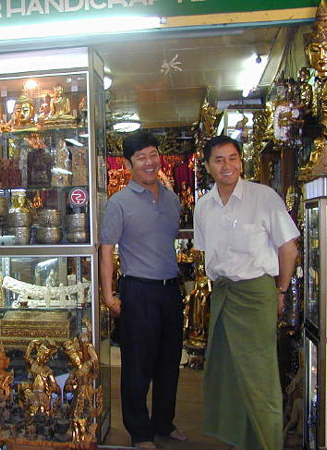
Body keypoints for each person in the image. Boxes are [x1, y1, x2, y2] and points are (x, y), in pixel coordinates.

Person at [194, 135, 299, 450]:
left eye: (233, 158)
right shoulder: (203, 206)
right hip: (224, 293)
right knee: (228, 371)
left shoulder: (263, 197)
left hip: (256, 294)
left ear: (241, 161)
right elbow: (205, 253)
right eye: (219, 160)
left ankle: (266, 442)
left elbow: (289, 248)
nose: (227, 166)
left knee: (260, 374)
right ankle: (239, 438)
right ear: (208, 166)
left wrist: (280, 289)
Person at [99, 131, 185, 449]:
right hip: (139, 291)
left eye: (152, 155)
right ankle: (140, 432)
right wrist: (109, 296)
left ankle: (164, 421)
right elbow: (106, 249)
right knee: (138, 364)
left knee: (169, 361)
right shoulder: (118, 203)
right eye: (140, 157)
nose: (149, 162)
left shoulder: (172, 198)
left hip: (170, 290)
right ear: (128, 163)